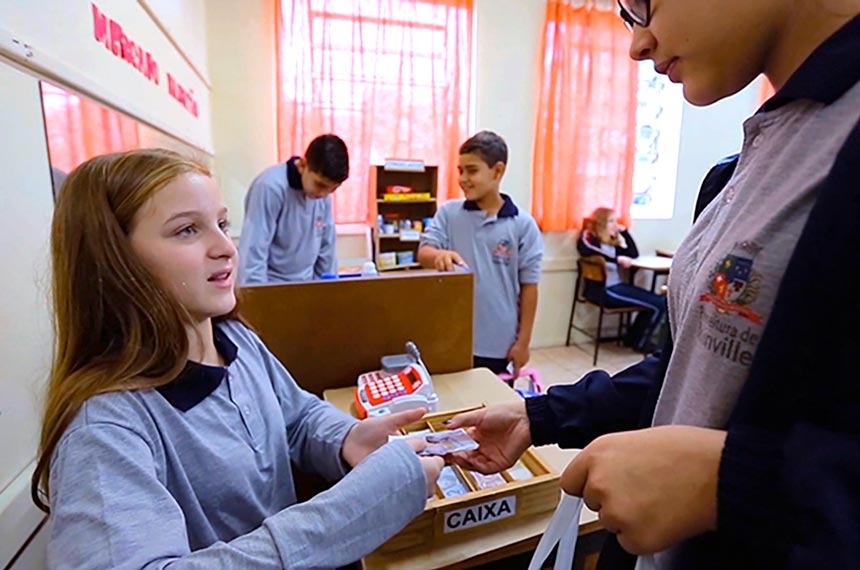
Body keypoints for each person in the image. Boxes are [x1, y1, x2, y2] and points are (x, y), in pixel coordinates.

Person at [447, 1, 860, 568]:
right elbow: (690, 370)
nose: (637, 44)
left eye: (644, 4)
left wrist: (731, 481)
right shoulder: (739, 166)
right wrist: (537, 415)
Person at [32, 148, 444, 569]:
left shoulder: (235, 339)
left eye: (222, 224)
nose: (226, 247)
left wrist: (344, 439)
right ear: (115, 260)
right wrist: (358, 508)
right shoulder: (104, 431)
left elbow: (297, 416)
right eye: (188, 230)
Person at [418, 130, 543, 376]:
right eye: (460, 170)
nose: (463, 178)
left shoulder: (522, 225)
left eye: (471, 170)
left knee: (492, 410)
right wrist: (438, 256)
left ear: (497, 171)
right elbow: (424, 252)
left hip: (497, 342)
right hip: (450, 336)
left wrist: (523, 343)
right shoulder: (449, 213)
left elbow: (529, 287)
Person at [238, 134, 348, 284]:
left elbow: (327, 250)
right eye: (320, 185)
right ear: (303, 165)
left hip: (307, 285)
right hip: (272, 285)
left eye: (333, 189)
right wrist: (257, 298)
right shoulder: (270, 187)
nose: (324, 194)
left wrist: (327, 292)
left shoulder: (323, 196)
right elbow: (254, 250)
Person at [578, 206, 666, 352]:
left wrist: (625, 232)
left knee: (657, 302)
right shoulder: (590, 239)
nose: (615, 224)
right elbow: (587, 249)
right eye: (611, 221)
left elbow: (633, 254)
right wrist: (616, 259)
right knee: (658, 304)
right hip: (604, 290)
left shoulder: (612, 244)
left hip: (616, 286)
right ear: (601, 223)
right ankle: (640, 344)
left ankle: (632, 339)